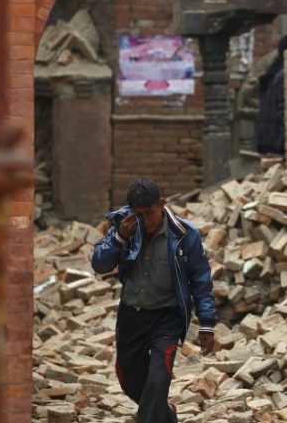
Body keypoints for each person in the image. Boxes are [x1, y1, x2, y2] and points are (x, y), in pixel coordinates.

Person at [92, 177, 217, 423]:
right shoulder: (123, 227)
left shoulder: (184, 234)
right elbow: (99, 264)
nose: (145, 222)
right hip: (132, 316)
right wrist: (118, 237)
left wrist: (207, 324)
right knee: (130, 382)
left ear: (161, 204)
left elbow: (201, 280)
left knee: (159, 379)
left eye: (149, 213)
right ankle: (166, 415)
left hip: (166, 318)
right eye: (138, 215)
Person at [257, 34, 287, 155]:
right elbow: (283, 111)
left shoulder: (273, 70)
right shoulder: (283, 75)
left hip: (267, 139)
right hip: (276, 141)